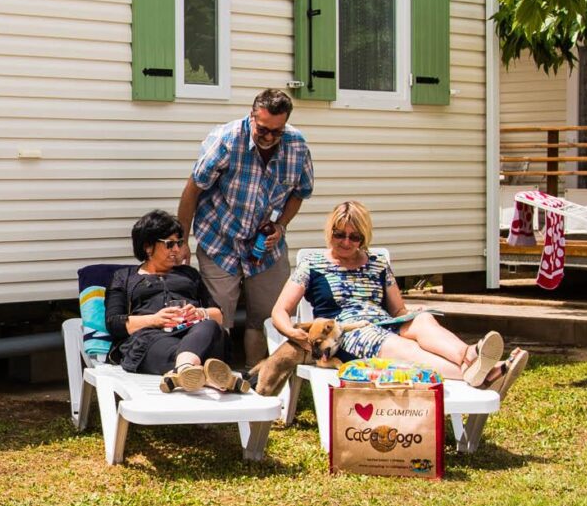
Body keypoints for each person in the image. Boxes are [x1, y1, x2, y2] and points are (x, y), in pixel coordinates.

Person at [271, 200, 529, 394]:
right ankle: (485, 376)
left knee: (424, 321)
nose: (346, 242)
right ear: (330, 232)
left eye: (354, 237)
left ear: (363, 237)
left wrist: (413, 315)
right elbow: (280, 310)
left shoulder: (378, 263)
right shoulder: (313, 264)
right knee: (405, 349)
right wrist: (294, 333)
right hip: (348, 333)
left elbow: (398, 311)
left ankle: (470, 355)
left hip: (384, 322)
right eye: (339, 234)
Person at [178, 88, 314, 367]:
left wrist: (281, 225)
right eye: (263, 129)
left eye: (276, 132)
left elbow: (300, 192)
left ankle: (257, 381)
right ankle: (218, 381)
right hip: (220, 240)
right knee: (218, 318)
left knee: (267, 317)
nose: (268, 137)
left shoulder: (297, 146)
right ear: (252, 116)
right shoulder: (225, 141)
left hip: (264, 247)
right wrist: (182, 240)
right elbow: (192, 189)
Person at [105, 210, 242, 393]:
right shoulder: (124, 278)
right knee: (158, 345)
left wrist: (200, 313)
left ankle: (184, 370)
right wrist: (155, 320)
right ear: (148, 246)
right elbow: (114, 323)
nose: (177, 249)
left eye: (178, 243)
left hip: (196, 333)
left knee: (208, 325)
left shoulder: (189, 274)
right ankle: (207, 376)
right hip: (152, 338)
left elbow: (218, 315)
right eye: (169, 244)